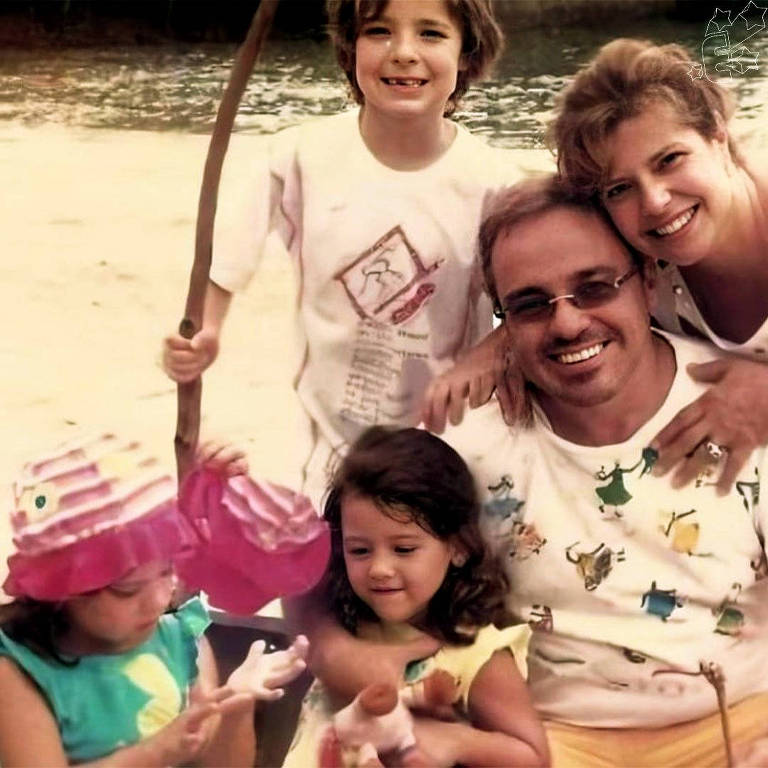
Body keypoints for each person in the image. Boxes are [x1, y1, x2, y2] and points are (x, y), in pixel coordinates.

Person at [438, 174, 768, 767]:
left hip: (744, 721)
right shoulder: (466, 447)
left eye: (594, 288)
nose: (567, 324)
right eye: (531, 305)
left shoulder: (744, 409)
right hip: (553, 741)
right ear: (503, 321)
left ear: (647, 282)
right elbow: (391, 602)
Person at [162, 0, 521, 509]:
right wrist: (208, 329)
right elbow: (227, 254)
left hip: (447, 445)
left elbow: (535, 301)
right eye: (379, 31)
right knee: (326, 546)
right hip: (326, 446)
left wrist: (483, 358)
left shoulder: (493, 183)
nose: (403, 52)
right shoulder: (301, 157)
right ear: (350, 48)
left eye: (431, 34)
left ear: (467, 53)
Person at [0, 434, 309, 767]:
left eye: (167, 571)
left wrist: (236, 703)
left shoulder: (181, 641)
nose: (159, 600)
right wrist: (154, 753)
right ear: (60, 590)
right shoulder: (22, 672)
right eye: (128, 589)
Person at [548, 38, 768, 494]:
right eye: (619, 189)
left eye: (669, 160)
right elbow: (543, 257)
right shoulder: (642, 265)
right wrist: (499, 345)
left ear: (718, 137)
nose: (654, 201)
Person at [282, 426, 548, 767]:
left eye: (404, 549)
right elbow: (286, 576)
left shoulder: (475, 652)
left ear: (458, 547)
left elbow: (533, 757)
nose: (379, 569)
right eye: (360, 550)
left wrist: (455, 740)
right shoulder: (342, 616)